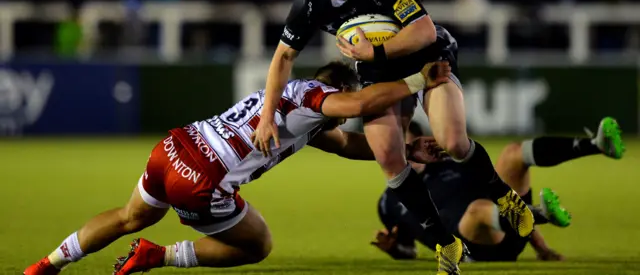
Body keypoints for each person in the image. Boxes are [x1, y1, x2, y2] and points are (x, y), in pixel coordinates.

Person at [250, 0, 532, 273]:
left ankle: (506, 198)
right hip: (378, 71)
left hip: (427, 58)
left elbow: (425, 30)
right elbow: (283, 58)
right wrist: (265, 117)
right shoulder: (309, 3)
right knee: (387, 154)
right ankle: (446, 243)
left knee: (453, 143)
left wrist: (375, 53)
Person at [23, 60, 450, 275]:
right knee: (258, 243)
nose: (348, 116)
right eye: (343, 102)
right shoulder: (317, 97)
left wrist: (409, 150)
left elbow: (346, 145)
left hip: (173, 148)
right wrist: (418, 80)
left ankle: (46, 265)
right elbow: (358, 104)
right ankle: (160, 255)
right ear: (335, 87)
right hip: (203, 180)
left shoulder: (295, 106)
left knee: (128, 216)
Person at [371, 117, 624, 262]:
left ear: (422, 145)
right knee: (477, 211)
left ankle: (597, 145)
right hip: (477, 250)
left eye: (409, 146)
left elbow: (500, 192)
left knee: (513, 154)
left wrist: (542, 249)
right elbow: (409, 252)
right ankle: (540, 214)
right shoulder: (388, 202)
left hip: (511, 229)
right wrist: (394, 249)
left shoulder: (452, 164)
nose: (405, 154)